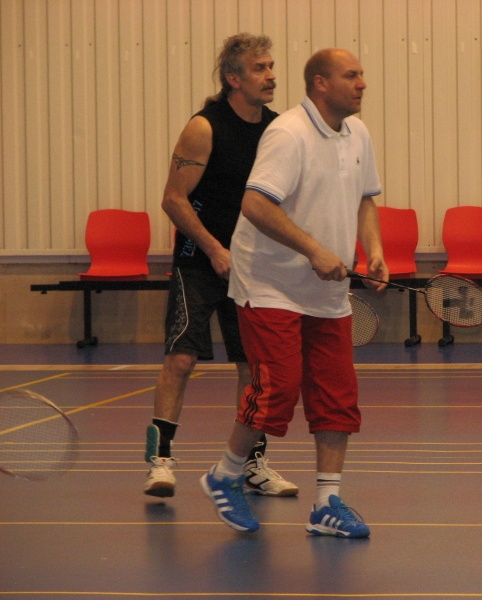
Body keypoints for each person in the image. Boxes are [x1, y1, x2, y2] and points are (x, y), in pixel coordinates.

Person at [200, 48, 387, 536]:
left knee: (337, 396)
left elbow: (365, 199)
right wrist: (314, 251)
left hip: (327, 291)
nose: (362, 83)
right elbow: (256, 205)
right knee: (277, 388)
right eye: (351, 75)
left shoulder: (358, 133)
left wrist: (373, 250)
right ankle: (225, 475)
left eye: (362, 74)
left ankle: (326, 504)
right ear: (320, 83)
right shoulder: (289, 133)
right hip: (270, 284)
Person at [144, 33, 298, 498]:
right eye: (259, 68)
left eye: (271, 66)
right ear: (233, 78)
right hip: (199, 261)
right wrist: (214, 249)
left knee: (253, 368)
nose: (271, 76)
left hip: (252, 267)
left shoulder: (278, 130)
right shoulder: (204, 128)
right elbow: (173, 199)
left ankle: (252, 465)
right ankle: (160, 462)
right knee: (181, 359)